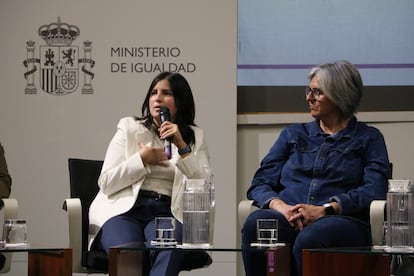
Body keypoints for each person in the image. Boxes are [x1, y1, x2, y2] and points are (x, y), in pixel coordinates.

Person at [241, 60, 390, 276]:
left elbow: (374, 190)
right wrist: (281, 207)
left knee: (310, 238)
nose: (309, 98)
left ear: (341, 95)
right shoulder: (292, 135)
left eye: (317, 92)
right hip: (289, 216)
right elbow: (260, 183)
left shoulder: (368, 138)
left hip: (342, 221)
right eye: (309, 91)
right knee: (256, 223)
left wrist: (326, 209)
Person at [89, 72, 212, 275]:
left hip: (168, 211)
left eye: (166, 93)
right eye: (154, 93)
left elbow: (204, 187)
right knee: (130, 254)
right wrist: (142, 159)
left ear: (180, 101)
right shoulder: (129, 128)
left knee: (168, 248)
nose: (158, 98)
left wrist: (182, 146)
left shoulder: (194, 137)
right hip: (125, 210)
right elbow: (106, 182)